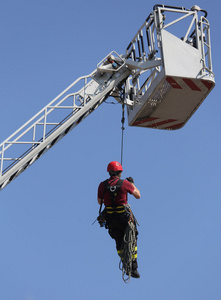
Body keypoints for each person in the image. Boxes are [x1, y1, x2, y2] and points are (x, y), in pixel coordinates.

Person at [97, 161, 141, 278]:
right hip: (124, 218)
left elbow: (100, 201)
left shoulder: (102, 185)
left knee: (119, 242)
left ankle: (126, 265)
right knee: (132, 239)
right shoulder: (125, 183)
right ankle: (133, 267)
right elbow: (138, 195)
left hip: (111, 219)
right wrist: (132, 184)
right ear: (119, 172)